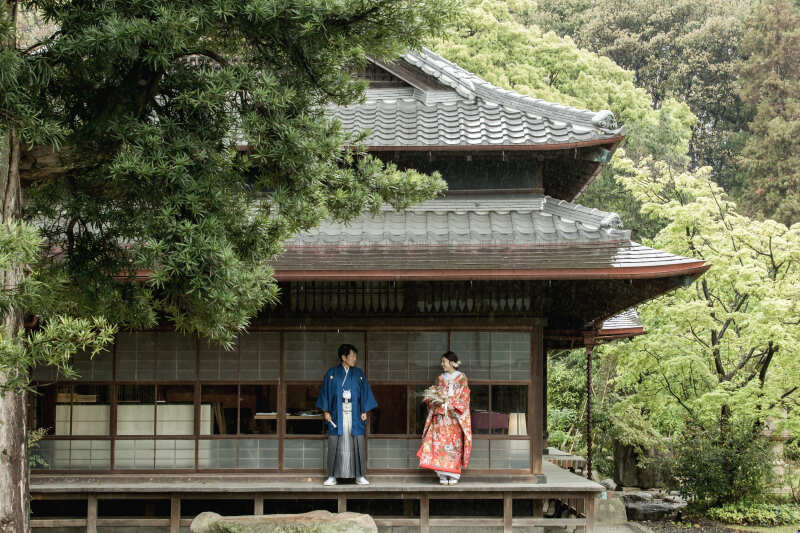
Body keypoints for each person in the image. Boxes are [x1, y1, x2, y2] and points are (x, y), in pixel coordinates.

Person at [316, 343, 377, 486]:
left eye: (355, 356)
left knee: (358, 443)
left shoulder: (359, 374)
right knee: (335, 444)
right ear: (343, 357)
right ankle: (332, 476)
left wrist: (364, 411)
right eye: (352, 356)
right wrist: (326, 411)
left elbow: (365, 393)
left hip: (354, 414)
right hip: (337, 414)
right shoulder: (332, 374)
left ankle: (359, 475)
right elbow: (326, 393)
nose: (355, 358)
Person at [417, 351, 472, 484]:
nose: (442, 364)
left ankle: (453, 475)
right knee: (439, 444)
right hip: (441, 417)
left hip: (454, 418)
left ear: (452, 363)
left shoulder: (462, 378)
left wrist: (454, 406)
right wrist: (435, 401)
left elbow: (465, 397)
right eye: (442, 362)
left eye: (444, 361)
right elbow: (433, 395)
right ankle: (442, 474)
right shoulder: (440, 379)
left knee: (454, 446)